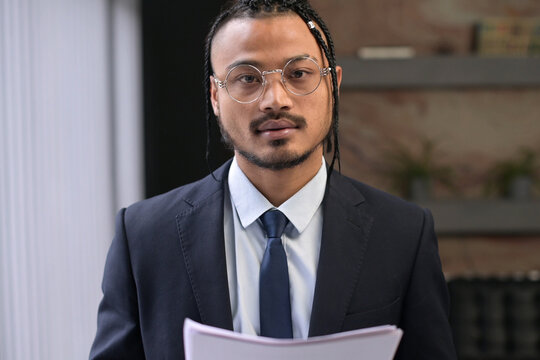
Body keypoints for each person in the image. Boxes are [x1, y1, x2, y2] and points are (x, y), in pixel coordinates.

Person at [89, 0, 457, 359]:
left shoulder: (402, 234)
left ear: (334, 85)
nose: (275, 100)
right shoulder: (144, 236)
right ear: (215, 96)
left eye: (298, 74)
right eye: (247, 78)